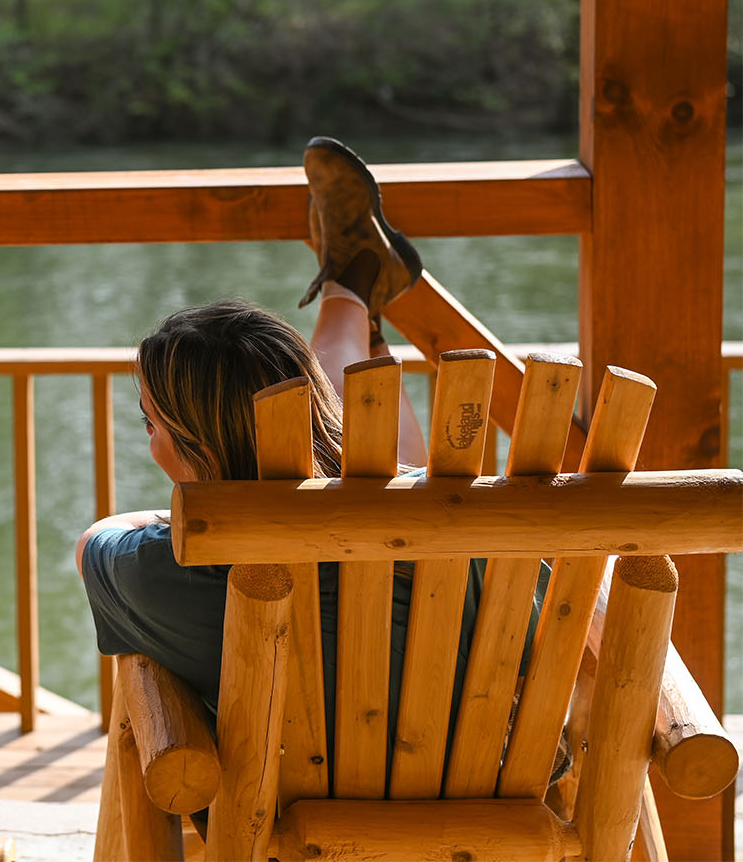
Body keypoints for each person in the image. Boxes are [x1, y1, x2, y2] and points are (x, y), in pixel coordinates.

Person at [76, 137, 545, 745]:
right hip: (481, 787)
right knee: (390, 478)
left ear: (200, 448)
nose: (150, 443)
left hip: (279, 817)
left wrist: (178, 517)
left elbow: (95, 541)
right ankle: (353, 287)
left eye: (151, 424)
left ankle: (352, 283)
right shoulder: (479, 542)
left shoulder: (163, 572)